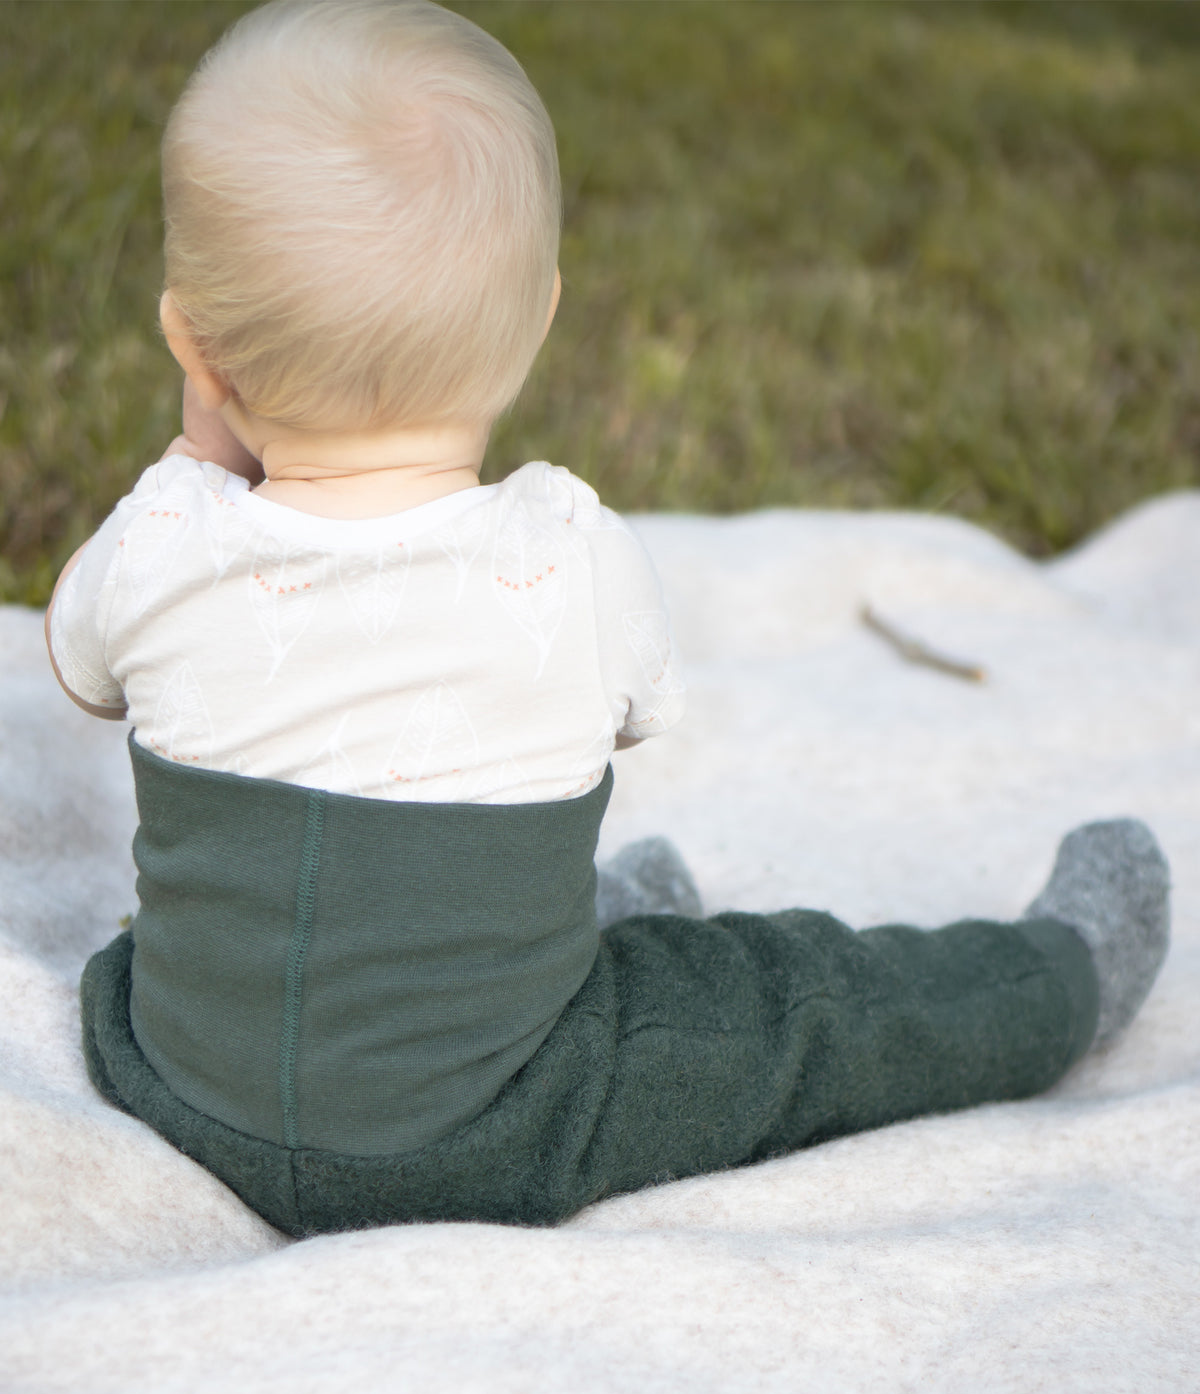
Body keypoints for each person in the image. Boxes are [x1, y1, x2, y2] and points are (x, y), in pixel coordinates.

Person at [46, 0, 1170, 1237]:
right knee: (794, 1009)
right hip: (496, 1123)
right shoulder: (572, 560)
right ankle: (1056, 979)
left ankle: (551, 948)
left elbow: (86, 673)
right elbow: (631, 718)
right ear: (538, 323)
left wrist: (203, 459)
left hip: (183, 1080)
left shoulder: (156, 540)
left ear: (188, 348)